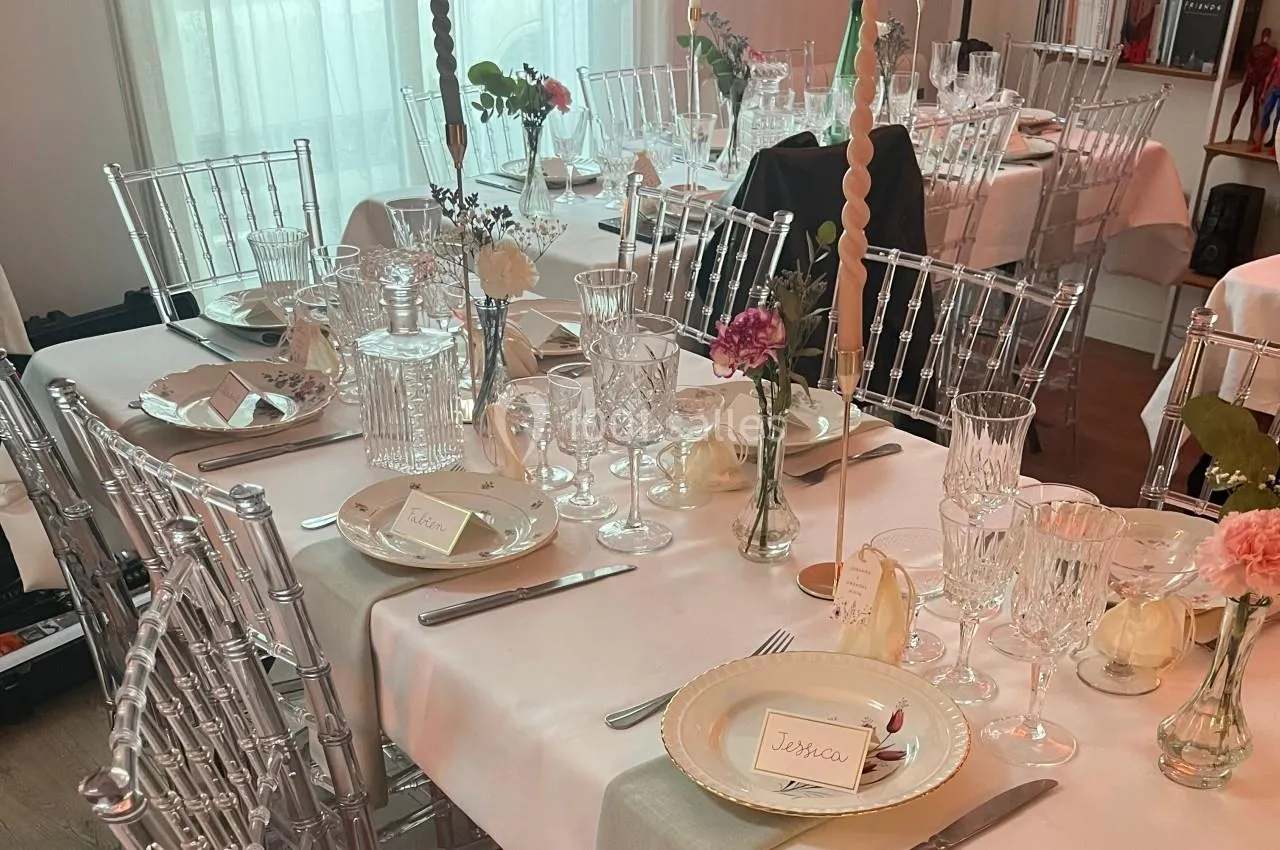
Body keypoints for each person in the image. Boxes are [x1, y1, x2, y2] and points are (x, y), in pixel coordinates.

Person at [1231, 28, 1276, 142]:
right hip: (1250, 78)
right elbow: (1247, 62)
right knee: (1240, 105)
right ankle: (1231, 133)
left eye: (1267, 35)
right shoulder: (1254, 49)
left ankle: (1251, 136)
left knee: (1256, 107)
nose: (1265, 37)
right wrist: (1251, 71)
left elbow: (1271, 67)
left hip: (1260, 79)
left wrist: (1262, 74)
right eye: (1264, 34)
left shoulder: (1272, 51)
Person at [1250, 52, 1280, 152]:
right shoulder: (1278, 59)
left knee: (1278, 118)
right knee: (1266, 113)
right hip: (1275, 89)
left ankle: (1275, 147)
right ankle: (1259, 143)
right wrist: (1264, 92)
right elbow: (1270, 75)